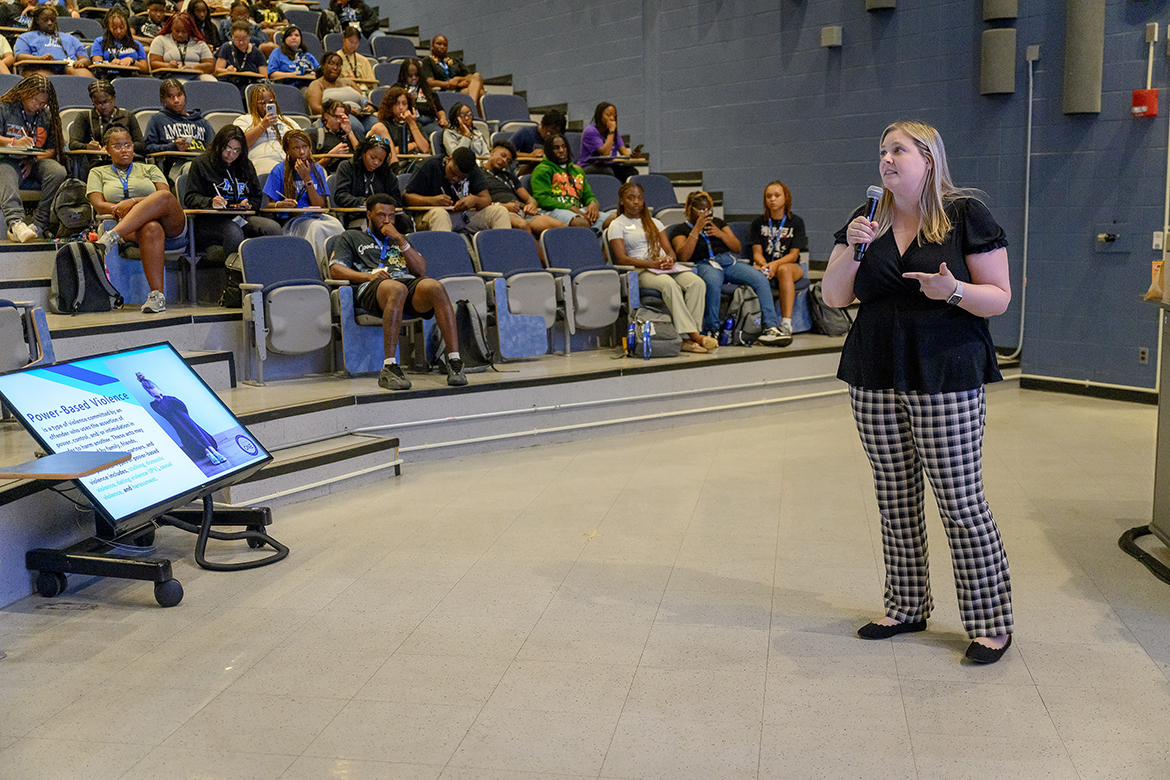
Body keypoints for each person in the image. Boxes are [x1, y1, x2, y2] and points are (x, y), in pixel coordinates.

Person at [822, 121, 1014, 664]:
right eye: (882, 150)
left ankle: (990, 622)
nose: (886, 158)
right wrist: (853, 249)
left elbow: (998, 297)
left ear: (928, 159)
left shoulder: (964, 215)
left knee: (959, 499)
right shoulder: (866, 221)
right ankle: (906, 606)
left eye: (898, 150)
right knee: (894, 495)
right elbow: (835, 296)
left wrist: (951, 290)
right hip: (873, 368)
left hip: (945, 368)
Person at [329, 194, 467, 390]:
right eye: (381, 215)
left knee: (436, 287)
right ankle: (390, 366)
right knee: (397, 288)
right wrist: (369, 277)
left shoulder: (402, 240)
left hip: (404, 282)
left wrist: (400, 240)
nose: (387, 220)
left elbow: (420, 271)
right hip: (371, 286)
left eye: (391, 216)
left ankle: (454, 361)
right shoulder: (351, 237)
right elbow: (335, 269)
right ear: (369, 215)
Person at [668, 191, 789, 346]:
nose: (706, 214)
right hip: (704, 263)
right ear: (690, 209)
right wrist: (696, 230)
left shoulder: (718, 223)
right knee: (712, 282)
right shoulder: (681, 229)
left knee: (760, 279)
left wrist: (720, 234)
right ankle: (712, 329)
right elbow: (683, 256)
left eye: (708, 210)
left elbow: (737, 247)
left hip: (727, 261)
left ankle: (770, 326)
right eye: (701, 210)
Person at [89, 126, 188, 313]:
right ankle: (156, 297)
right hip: (133, 226)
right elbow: (99, 205)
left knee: (164, 197)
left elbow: (164, 196)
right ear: (107, 149)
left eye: (128, 145)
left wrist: (133, 203)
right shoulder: (97, 173)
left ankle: (112, 237)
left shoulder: (150, 169)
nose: (124, 149)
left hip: (169, 222)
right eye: (117, 146)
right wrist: (120, 209)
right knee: (151, 228)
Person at [606, 182, 714, 354]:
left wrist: (669, 260)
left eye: (640, 198)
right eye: (631, 198)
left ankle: (687, 339)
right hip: (640, 270)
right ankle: (693, 335)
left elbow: (671, 252)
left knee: (697, 282)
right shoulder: (617, 224)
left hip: (662, 267)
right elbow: (622, 258)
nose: (636, 202)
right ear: (621, 201)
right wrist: (652, 264)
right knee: (668, 285)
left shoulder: (654, 222)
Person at [183, 124, 281, 257]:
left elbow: (257, 196)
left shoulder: (245, 165)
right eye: (227, 148)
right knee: (233, 232)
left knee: (273, 228)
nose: (231, 154)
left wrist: (249, 205)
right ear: (219, 145)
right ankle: (234, 276)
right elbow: (190, 197)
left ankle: (270, 274)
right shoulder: (201, 163)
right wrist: (210, 202)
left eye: (236, 150)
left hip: (240, 217)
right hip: (209, 221)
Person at [260, 128, 344, 262]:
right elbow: (266, 205)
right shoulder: (279, 170)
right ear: (287, 151)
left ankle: (338, 265)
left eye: (305, 147)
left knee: (336, 225)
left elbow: (319, 204)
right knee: (316, 229)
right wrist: (280, 204)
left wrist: (307, 179)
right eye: (296, 148)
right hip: (292, 221)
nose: (302, 152)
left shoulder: (317, 170)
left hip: (315, 216)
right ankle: (316, 268)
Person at [0, 75, 66, 242]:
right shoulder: (4, 107)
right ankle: (16, 223)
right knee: (5, 172)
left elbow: (53, 149)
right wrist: (13, 142)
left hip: (35, 161)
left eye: (43, 103)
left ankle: (39, 224)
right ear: (24, 93)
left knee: (57, 171)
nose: (38, 106)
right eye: (36, 101)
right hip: (7, 158)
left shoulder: (46, 115)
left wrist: (33, 159)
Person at [749, 180, 807, 346]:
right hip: (765, 265)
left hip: (790, 267)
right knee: (755, 271)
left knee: (784, 270)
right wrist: (766, 265)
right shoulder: (758, 223)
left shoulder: (796, 222)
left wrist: (774, 265)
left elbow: (794, 255)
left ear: (785, 198)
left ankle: (786, 324)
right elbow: (757, 253)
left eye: (776, 195)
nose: (772, 199)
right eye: (768, 196)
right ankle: (764, 325)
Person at [403, 147, 509, 233]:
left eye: (460, 177)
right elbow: (406, 198)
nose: (455, 178)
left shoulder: (472, 169)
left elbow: (486, 199)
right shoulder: (430, 165)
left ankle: (503, 255)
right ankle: (446, 259)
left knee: (499, 212)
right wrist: (432, 201)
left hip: (462, 215)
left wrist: (474, 200)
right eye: (452, 172)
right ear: (449, 160)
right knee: (440, 214)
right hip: (430, 215)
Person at [136, 372, 229, 464]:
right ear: (151, 395)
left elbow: (182, 406)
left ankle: (213, 451)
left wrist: (164, 398)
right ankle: (208, 453)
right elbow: (164, 411)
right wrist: (161, 399)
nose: (160, 397)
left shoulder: (170, 398)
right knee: (189, 436)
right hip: (177, 424)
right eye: (156, 396)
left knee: (197, 432)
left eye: (161, 394)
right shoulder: (155, 405)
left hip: (185, 419)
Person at [481, 140, 564, 238]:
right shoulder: (479, 174)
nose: (504, 161)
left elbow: (529, 198)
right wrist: (503, 206)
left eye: (508, 161)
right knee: (523, 226)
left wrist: (532, 205)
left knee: (561, 227)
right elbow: (478, 202)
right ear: (492, 152)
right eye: (503, 155)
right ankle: (535, 253)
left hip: (522, 210)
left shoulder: (509, 176)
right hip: (501, 212)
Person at [68, 80, 146, 178]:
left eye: (106, 102)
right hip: (100, 163)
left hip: (129, 161)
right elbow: (73, 144)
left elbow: (141, 145)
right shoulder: (85, 117)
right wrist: (87, 146)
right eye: (97, 103)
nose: (102, 106)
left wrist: (122, 147)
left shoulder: (128, 116)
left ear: (113, 98)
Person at [529, 133, 608, 231]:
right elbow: (542, 199)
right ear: (549, 151)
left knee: (612, 222)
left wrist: (593, 203)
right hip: (553, 211)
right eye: (556, 148)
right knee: (581, 223)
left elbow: (588, 195)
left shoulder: (577, 171)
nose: (561, 150)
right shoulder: (542, 169)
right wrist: (570, 207)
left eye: (564, 147)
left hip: (578, 210)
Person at [333, 136, 409, 232]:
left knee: (405, 221)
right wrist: (365, 203)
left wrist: (382, 206)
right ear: (363, 152)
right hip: (357, 216)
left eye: (381, 160)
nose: (376, 162)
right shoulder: (347, 167)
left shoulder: (387, 174)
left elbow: (396, 201)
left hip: (386, 218)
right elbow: (341, 196)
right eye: (372, 157)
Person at [144, 78, 213, 178]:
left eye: (179, 95)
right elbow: (148, 148)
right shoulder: (157, 120)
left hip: (201, 162)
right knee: (192, 169)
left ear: (184, 95)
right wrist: (173, 147)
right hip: (177, 165)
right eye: (170, 97)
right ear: (163, 99)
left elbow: (214, 146)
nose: (176, 100)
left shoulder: (201, 121)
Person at [232, 83, 298, 174]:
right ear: (254, 104)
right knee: (278, 171)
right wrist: (262, 126)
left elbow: (303, 140)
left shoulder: (288, 121)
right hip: (263, 161)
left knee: (318, 171)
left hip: (289, 160)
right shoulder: (244, 120)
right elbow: (241, 144)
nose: (267, 106)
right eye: (263, 103)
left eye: (271, 102)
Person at [305, 52, 375, 134]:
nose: (335, 67)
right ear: (323, 66)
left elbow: (363, 99)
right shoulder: (317, 84)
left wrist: (369, 107)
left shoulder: (349, 82)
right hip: (339, 117)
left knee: (378, 126)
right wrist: (343, 110)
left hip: (361, 114)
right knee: (356, 128)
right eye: (331, 64)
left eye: (338, 65)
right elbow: (316, 108)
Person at [14, 5, 93, 76]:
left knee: (80, 73)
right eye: (45, 20)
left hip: (69, 67)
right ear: (37, 20)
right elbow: (20, 56)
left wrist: (81, 62)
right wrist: (40, 58)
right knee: (43, 79)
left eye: (52, 20)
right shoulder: (25, 37)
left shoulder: (71, 38)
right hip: (38, 68)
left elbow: (85, 58)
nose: (49, 23)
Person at [420, 35, 484, 116]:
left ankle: (471, 107)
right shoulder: (428, 61)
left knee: (477, 76)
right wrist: (448, 84)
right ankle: (473, 111)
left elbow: (470, 76)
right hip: (442, 91)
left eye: (445, 45)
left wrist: (457, 79)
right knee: (480, 93)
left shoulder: (454, 60)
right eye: (439, 44)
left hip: (458, 90)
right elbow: (429, 81)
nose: (442, 47)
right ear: (432, 46)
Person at [148, 11, 215, 80]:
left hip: (196, 75)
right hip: (170, 76)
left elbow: (210, 65)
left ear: (190, 30)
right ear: (171, 28)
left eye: (184, 32)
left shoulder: (199, 43)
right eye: (177, 31)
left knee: (212, 82)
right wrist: (168, 65)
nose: (180, 34)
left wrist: (194, 67)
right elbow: (153, 63)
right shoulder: (160, 40)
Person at [579, 102, 637, 181]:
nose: (612, 118)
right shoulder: (590, 131)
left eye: (614, 115)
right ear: (600, 116)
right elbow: (605, 153)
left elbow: (624, 152)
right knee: (608, 172)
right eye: (608, 115)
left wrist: (633, 155)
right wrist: (611, 131)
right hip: (589, 165)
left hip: (608, 165)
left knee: (631, 171)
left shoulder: (613, 132)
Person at [369, 85, 429, 156]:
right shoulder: (384, 126)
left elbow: (425, 149)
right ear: (390, 105)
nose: (401, 107)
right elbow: (389, 152)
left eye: (404, 104)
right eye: (397, 104)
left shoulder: (415, 124)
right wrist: (413, 145)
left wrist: (412, 123)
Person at [395, 57, 445, 137]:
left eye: (416, 75)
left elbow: (440, 109)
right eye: (410, 76)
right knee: (422, 136)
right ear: (404, 75)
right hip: (410, 122)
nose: (414, 78)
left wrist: (443, 119)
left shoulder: (426, 88)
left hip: (429, 122)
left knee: (441, 134)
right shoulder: (397, 90)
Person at [90, 7, 148, 74]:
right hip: (109, 76)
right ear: (108, 27)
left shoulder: (136, 44)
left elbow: (145, 69)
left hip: (132, 77)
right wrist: (109, 64)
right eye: (114, 28)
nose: (118, 31)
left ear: (127, 26)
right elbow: (96, 64)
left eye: (122, 28)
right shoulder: (99, 42)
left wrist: (133, 61)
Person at [311, 98, 361, 172]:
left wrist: (349, 133)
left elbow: (361, 157)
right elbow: (312, 169)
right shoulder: (316, 135)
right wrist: (330, 155)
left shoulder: (352, 135)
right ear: (326, 116)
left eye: (341, 117)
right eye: (335, 117)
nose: (338, 121)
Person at [214, 20, 267, 87]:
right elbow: (217, 70)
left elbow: (264, 75)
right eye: (237, 39)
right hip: (229, 83)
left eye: (244, 39)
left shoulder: (257, 52)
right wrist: (227, 70)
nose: (241, 42)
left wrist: (250, 74)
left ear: (249, 37)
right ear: (232, 37)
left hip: (251, 84)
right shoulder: (226, 47)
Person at [511, 109, 565, 174]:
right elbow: (508, 151)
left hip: (550, 168)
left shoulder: (559, 139)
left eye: (555, 133)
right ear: (543, 125)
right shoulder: (526, 132)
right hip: (527, 168)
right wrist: (530, 155)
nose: (551, 136)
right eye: (549, 132)